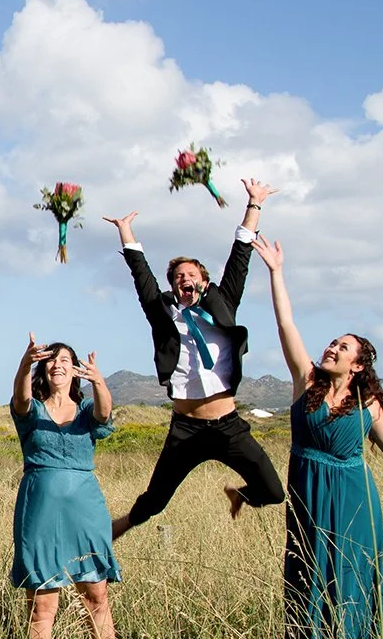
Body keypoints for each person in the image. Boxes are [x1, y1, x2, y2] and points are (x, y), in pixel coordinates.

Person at [250, 235, 383, 639]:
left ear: (358, 365)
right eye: (332, 343)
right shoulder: (306, 383)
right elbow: (287, 326)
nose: (332, 348)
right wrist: (276, 273)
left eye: (343, 347)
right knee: (308, 572)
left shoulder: (369, 405)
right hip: (309, 493)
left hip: (355, 497)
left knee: (351, 575)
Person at [102, 178, 286, 540]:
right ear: (173, 285)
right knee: (155, 500)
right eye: (178, 276)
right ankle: (111, 532)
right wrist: (127, 233)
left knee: (273, 492)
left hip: (228, 425)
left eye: (191, 274)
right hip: (185, 429)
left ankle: (240, 495)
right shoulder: (163, 314)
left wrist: (254, 205)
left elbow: (240, 257)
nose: (184, 278)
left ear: (203, 281)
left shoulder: (223, 304)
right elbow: (143, 280)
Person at [10, 334, 123, 639]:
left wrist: (99, 381)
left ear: (75, 371)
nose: (57, 364)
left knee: (96, 594)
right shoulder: (33, 411)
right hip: (40, 512)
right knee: (43, 601)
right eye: (51, 360)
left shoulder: (87, 413)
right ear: (43, 368)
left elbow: (105, 412)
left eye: (64, 360)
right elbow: (20, 397)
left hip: (85, 511)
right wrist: (25, 363)